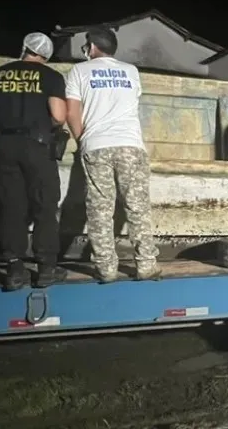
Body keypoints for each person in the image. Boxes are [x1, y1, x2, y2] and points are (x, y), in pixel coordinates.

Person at [64, 27, 160, 283]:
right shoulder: (131, 71)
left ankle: (106, 268)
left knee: (100, 208)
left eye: (86, 45)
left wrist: (83, 139)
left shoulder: (78, 71)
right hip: (130, 145)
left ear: (92, 46)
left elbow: (72, 113)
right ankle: (146, 265)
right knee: (137, 206)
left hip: (96, 145)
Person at [0, 33, 66, 291]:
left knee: (12, 206)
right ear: (46, 55)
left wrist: (5, 125)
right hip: (38, 146)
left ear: (24, 47)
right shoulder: (51, 76)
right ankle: (46, 268)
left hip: (5, 145)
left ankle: (15, 269)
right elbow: (59, 116)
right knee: (44, 205)